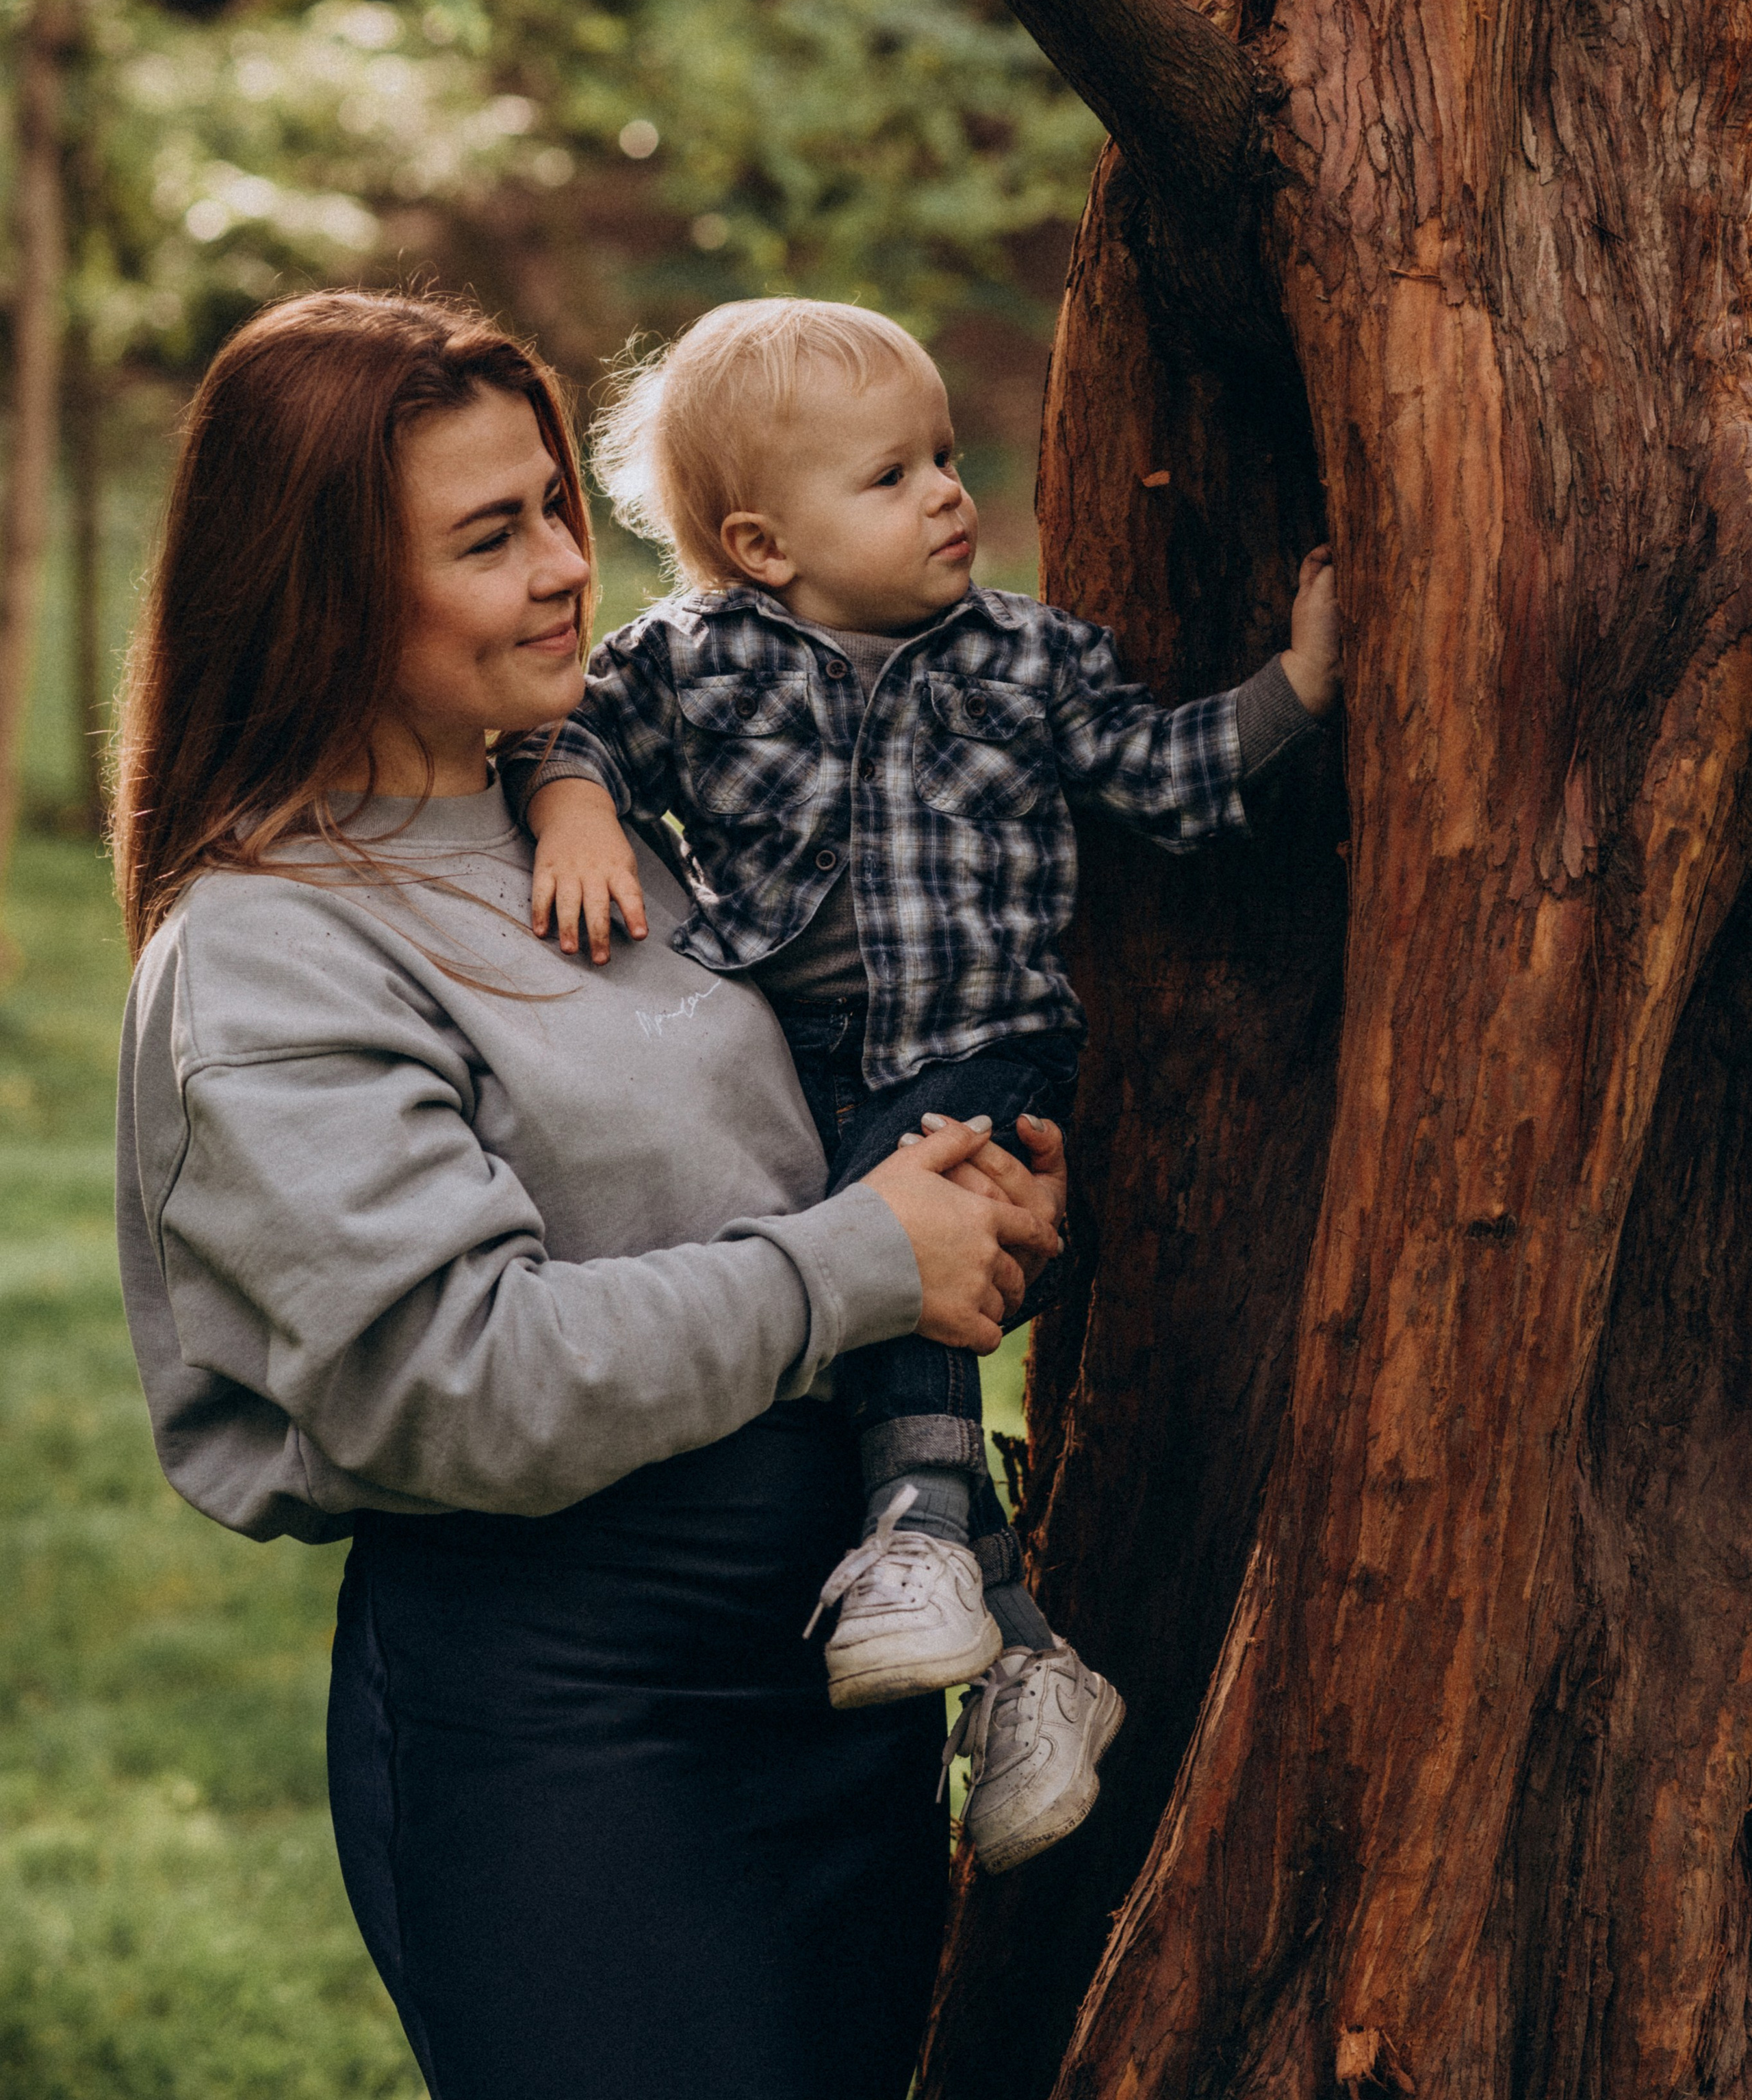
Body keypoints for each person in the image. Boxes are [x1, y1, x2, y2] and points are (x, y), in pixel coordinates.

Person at [110, 289, 1067, 2100]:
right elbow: (460, 1380)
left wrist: (976, 1183)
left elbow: (804, 1132)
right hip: (575, 1726)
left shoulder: (613, 830)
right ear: (327, 594)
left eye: (557, 503)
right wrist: (864, 1259)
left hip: (829, 1675)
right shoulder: (271, 951)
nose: (569, 566)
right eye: (492, 537)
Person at [503, 296, 1342, 1874]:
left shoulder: (1026, 660)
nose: (951, 492)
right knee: (843, 1313)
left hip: (976, 1048)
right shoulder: (683, 665)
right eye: (889, 477)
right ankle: (1023, 1656)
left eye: (945, 455)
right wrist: (569, 812)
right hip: (796, 1065)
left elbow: (1159, 781)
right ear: (758, 544)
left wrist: (1295, 686)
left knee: (900, 1244)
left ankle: (911, 1544)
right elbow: (569, 744)